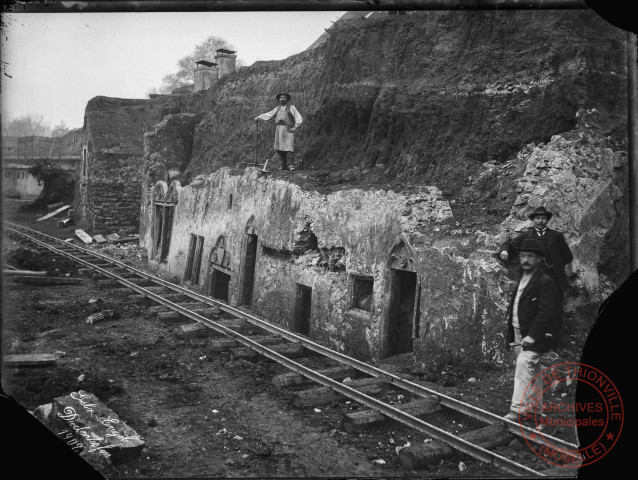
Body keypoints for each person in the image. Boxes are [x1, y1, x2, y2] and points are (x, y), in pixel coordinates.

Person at [499, 206, 573, 347]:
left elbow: (568, 256)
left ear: (547, 220)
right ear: (533, 220)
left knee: (555, 310)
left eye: (543, 218)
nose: (540, 221)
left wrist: (555, 264)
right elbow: (511, 244)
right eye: (537, 218)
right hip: (534, 280)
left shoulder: (556, 236)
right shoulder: (527, 236)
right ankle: (534, 340)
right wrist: (504, 250)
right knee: (534, 309)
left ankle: (556, 344)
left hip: (554, 279)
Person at [503, 238, 559, 423]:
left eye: (530, 256)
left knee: (523, 366)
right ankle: (534, 410)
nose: (525, 259)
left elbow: (546, 313)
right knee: (533, 372)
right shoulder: (523, 277)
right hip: (520, 331)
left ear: (538, 259)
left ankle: (517, 410)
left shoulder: (544, 281)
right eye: (523, 256)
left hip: (535, 334)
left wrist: (533, 336)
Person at [254, 93, 303, 171]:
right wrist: (259, 117)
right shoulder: (277, 108)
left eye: (284, 97)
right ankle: (283, 165)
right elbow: (269, 115)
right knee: (279, 148)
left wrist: (295, 127)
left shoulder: (292, 108)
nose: (283, 99)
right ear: (279, 99)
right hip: (278, 130)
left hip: (288, 130)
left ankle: (291, 165)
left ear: (287, 99)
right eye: (281, 97)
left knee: (289, 147)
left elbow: (298, 118)